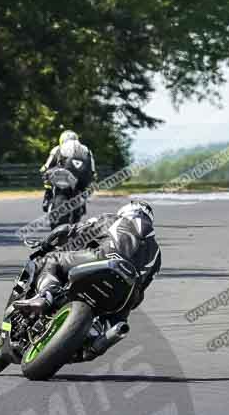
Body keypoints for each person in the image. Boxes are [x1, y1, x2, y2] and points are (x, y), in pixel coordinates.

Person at [13, 200, 161, 326]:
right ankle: (100, 336)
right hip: (126, 292)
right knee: (115, 323)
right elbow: (140, 294)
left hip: (102, 260)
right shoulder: (156, 253)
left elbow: (67, 230)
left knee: (51, 260)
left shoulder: (112, 219)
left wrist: (45, 245)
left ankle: (45, 296)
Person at [39, 130, 97, 211]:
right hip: (79, 175)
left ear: (61, 140)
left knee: (47, 177)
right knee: (86, 186)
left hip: (65, 175)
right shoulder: (86, 149)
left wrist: (44, 169)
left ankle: (47, 198)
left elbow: (48, 164)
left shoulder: (57, 148)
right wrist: (93, 174)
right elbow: (91, 165)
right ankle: (82, 202)